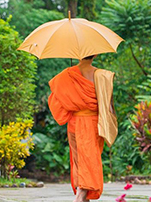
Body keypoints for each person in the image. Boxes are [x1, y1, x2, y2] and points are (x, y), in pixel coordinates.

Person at [48, 55, 117, 202]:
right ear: (96, 55)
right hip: (94, 123)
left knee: (80, 159)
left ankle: (82, 194)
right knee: (91, 158)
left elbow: (56, 100)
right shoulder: (103, 75)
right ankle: (81, 194)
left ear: (77, 56)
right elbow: (108, 105)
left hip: (75, 122)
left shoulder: (68, 74)